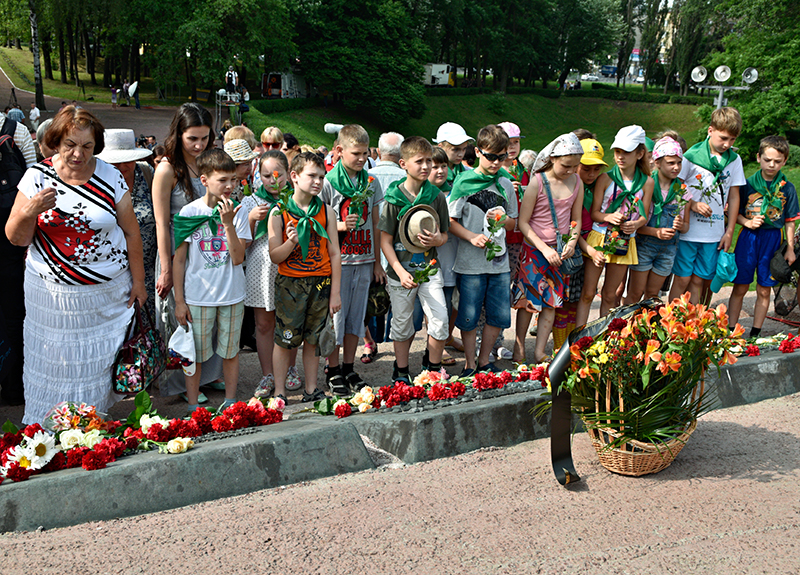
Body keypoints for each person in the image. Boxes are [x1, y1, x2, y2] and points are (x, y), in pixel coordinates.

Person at [5, 106, 147, 423]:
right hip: (51, 297)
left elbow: (131, 231)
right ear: (56, 142)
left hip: (105, 296)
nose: (78, 154)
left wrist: (139, 283)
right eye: (70, 144)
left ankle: (91, 428)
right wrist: (30, 210)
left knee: (96, 365)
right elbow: (16, 237)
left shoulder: (110, 175)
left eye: (86, 146)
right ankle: (50, 432)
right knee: (54, 363)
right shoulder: (36, 177)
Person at [152, 103, 223, 402]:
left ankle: (208, 376)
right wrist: (166, 267)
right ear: (178, 133)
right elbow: (160, 220)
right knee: (180, 317)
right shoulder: (167, 168)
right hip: (177, 250)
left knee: (212, 315)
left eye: (204, 138)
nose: (198, 145)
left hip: (208, 250)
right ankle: (181, 384)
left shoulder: (211, 160)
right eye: (192, 138)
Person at [172, 149, 251, 413]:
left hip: (231, 294)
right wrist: (179, 301)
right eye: (222, 180)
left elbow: (238, 257)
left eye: (233, 179)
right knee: (194, 355)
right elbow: (179, 260)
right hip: (198, 297)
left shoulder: (237, 211)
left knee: (230, 351)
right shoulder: (189, 212)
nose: (230, 186)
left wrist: (228, 224)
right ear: (204, 180)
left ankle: (230, 402)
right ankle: (193, 404)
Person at [268, 152, 341, 402]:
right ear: (294, 176)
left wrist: (335, 293)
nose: (318, 181)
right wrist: (291, 242)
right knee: (285, 339)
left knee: (314, 339)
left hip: (320, 283)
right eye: (312, 176)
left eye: (322, 176)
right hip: (291, 284)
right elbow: (275, 256)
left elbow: (334, 254)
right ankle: (279, 391)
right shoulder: (279, 212)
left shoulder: (327, 212)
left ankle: (311, 389)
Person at [321, 124, 385, 395]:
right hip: (339, 262)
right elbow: (319, 222)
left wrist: (377, 261)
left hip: (364, 258)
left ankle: (348, 367)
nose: (361, 159)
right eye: (355, 153)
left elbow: (375, 219)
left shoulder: (371, 181)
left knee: (356, 320)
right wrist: (341, 226)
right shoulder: (328, 182)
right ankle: (332, 369)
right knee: (336, 319)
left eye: (365, 154)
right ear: (339, 151)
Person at [448, 125, 517, 375]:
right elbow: (450, 221)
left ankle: (484, 361)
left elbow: (513, 222)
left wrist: (503, 220)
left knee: (497, 316)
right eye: (491, 156)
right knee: (468, 316)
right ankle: (469, 363)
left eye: (502, 157)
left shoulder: (506, 184)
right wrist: (472, 237)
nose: (497, 162)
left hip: (499, 262)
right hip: (470, 263)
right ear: (477, 152)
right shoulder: (464, 181)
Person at [379, 136, 450, 381]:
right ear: (403, 164)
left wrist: (437, 240)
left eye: (429, 160)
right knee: (401, 324)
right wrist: (399, 270)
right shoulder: (393, 199)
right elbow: (385, 241)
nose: (426, 166)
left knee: (440, 320)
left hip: (429, 268)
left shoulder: (436, 196)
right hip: (401, 272)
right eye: (419, 161)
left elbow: (445, 234)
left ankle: (431, 367)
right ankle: (400, 371)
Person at [514, 134, 583, 363]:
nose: (571, 171)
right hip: (536, 250)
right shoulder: (538, 182)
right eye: (566, 165)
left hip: (559, 251)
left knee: (552, 302)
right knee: (528, 303)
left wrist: (572, 242)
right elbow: (524, 223)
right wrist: (544, 248)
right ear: (553, 158)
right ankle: (520, 346)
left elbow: (576, 220)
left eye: (575, 166)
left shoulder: (577, 182)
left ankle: (540, 350)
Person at [668, 107, 745, 304]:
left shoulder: (734, 161)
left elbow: (734, 197)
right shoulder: (691, 157)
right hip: (689, 231)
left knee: (700, 281)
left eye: (732, 140)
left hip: (714, 234)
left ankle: (693, 325)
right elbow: (675, 187)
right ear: (710, 130)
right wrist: (692, 204)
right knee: (683, 278)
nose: (727, 144)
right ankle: (670, 321)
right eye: (723, 138)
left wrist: (729, 231)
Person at [242, 150, 302, 396]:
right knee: (264, 324)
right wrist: (251, 219)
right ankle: (267, 374)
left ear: (289, 174)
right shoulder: (251, 202)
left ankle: (290, 368)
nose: (272, 180)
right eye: (266, 175)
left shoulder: (297, 200)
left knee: (289, 320)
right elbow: (241, 241)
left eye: (277, 174)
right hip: (261, 269)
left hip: (291, 265)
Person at [728, 135, 799, 337]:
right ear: (758, 157)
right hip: (749, 238)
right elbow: (733, 212)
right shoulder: (746, 184)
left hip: (773, 240)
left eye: (777, 161)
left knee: (764, 289)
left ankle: (755, 334)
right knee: (741, 286)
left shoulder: (788, 188)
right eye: (767, 160)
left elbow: (790, 221)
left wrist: (791, 249)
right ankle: (731, 331)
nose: (772, 165)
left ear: (785, 161)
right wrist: (747, 222)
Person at [581, 125, 653, 318]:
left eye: (626, 152)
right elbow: (595, 213)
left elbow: (644, 216)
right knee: (588, 293)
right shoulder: (605, 178)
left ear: (639, 154)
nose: (620, 157)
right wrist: (608, 217)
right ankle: (579, 336)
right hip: (599, 237)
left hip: (624, 241)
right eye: (617, 152)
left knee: (609, 295)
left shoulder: (647, 182)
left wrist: (635, 224)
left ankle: (602, 338)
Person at [96, 129, 158, 311]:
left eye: (127, 160)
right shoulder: (98, 182)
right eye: (116, 162)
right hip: (114, 270)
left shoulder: (147, 174)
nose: (122, 166)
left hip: (149, 268)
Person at [625, 137, 690, 303]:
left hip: (668, 250)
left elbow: (686, 226)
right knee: (635, 293)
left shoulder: (683, 190)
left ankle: (645, 328)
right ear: (657, 162)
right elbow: (636, 224)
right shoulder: (646, 185)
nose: (676, 167)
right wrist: (657, 232)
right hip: (645, 246)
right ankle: (624, 326)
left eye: (679, 163)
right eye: (670, 163)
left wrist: (681, 225)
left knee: (653, 296)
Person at [0, 111, 36, 406]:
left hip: (11, 243)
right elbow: (35, 183)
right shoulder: (17, 130)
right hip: (11, 243)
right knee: (15, 313)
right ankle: (15, 386)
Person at [429, 146, 462, 365]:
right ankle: (436, 345)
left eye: (443, 166)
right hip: (431, 258)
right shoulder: (424, 193)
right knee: (435, 305)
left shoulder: (455, 191)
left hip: (453, 255)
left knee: (453, 303)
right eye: (435, 167)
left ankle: (447, 336)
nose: (440, 171)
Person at [573, 138, 611, 329]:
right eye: (586, 168)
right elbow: (572, 227)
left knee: (589, 292)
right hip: (576, 245)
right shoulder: (571, 186)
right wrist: (589, 249)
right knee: (574, 297)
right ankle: (574, 337)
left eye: (597, 169)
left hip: (597, 245)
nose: (591, 174)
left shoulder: (602, 186)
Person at [433, 122, 472, 187]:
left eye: (464, 149)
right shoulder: (429, 174)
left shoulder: (468, 172)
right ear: (441, 147)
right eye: (455, 149)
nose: (461, 154)